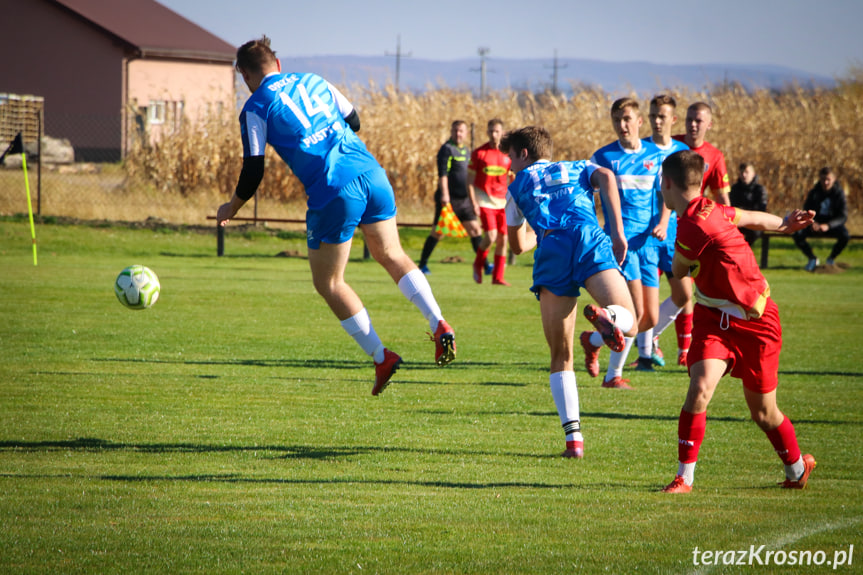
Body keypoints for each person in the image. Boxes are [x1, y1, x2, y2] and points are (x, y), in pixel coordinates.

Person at [217, 36, 456, 397]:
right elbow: (354, 120)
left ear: (244, 74)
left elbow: (253, 170)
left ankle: (381, 356)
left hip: (334, 190)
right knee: (392, 254)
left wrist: (231, 207)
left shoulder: (255, 107)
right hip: (371, 173)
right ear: (277, 64)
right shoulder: (314, 80)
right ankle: (438, 322)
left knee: (329, 282)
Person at [658, 150, 816, 493]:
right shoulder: (709, 208)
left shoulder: (694, 223)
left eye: (661, 183)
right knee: (699, 388)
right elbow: (747, 217)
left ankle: (797, 467)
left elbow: (679, 269)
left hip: (756, 321)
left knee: (764, 414)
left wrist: (691, 265)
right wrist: (784, 222)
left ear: (667, 183)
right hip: (714, 318)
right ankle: (685, 477)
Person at [503, 126, 637, 458]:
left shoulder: (516, 186)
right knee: (631, 322)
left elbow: (518, 246)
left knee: (560, 355)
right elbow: (606, 175)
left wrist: (542, 226)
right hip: (588, 236)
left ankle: (574, 441)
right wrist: (617, 232)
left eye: (511, 158)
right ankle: (608, 318)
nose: (509, 166)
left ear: (523, 154)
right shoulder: (577, 166)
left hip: (552, 248)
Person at [580, 98, 666, 389]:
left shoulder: (655, 154)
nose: (622, 125)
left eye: (627, 118)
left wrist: (663, 221)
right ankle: (612, 377)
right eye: (617, 119)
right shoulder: (604, 157)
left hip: (649, 244)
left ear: (640, 121)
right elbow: (586, 195)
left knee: (650, 317)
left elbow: (667, 192)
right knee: (636, 314)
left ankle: (592, 340)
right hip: (622, 245)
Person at [655, 101, 734, 367]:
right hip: (655, 229)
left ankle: (682, 349)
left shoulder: (714, 156)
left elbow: (723, 198)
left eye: (699, 120)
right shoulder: (672, 147)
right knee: (649, 289)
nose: (692, 124)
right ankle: (649, 343)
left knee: (685, 291)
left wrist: (727, 230)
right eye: (689, 119)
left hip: (690, 231)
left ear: (708, 124)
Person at [632, 94, 691, 372]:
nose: (656, 121)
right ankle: (644, 354)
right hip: (646, 237)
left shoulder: (681, 152)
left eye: (662, 116)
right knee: (647, 303)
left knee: (683, 295)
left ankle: (650, 338)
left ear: (673, 119)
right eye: (653, 115)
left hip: (675, 235)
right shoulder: (639, 149)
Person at [417, 120, 483, 274]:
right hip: (449, 199)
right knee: (438, 232)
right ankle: (422, 264)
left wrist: (474, 199)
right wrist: (445, 194)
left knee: (475, 230)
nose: (458, 134)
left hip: (464, 200)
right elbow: (443, 174)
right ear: (451, 132)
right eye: (455, 131)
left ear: (466, 133)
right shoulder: (446, 149)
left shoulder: (467, 151)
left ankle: (484, 265)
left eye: (461, 131)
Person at [469, 118, 513, 286]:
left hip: (503, 202)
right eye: (491, 131)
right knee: (491, 236)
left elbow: (512, 179)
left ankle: (498, 277)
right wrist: (473, 201)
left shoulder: (508, 155)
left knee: (503, 239)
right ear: (487, 132)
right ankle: (478, 264)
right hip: (484, 200)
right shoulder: (479, 153)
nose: (494, 134)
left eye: (497, 131)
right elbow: (470, 180)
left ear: (502, 133)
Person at [793, 167, 850, 271]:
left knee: (845, 236)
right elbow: (806, 210)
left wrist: (828, 225)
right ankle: (812, 258)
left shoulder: (839, 194)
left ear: (834, 179)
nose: (826, 182)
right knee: (797, 233)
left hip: (832, 225)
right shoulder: (814, 193)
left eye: (828, 179)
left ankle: (831, 258)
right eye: (823, 179)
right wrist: (812, 223)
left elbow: (843, 216)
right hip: (815, 224)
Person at [729, 162, 769, 246]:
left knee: (754, 232)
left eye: (747, 172)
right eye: (742, 172)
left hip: (754, 222)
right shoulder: (735, 189)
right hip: (738, 221)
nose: (744, 175)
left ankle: (743, 249)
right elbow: (731, 208)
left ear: (753, 174)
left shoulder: (760, 190)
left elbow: (761, 210)